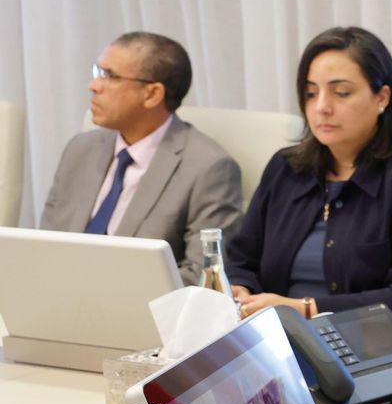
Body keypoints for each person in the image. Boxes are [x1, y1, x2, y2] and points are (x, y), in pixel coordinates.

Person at [226, 26, 392, 324]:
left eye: (341, 93)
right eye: (311, 93)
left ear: (382, 97)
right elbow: (242, 259)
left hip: (388, 340)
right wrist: (240, 290)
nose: (322, 107)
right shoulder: (286, 168)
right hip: (284, 336)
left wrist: (304, 309)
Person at [40, 31, 242, 283]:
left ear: (152, 94)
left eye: (110, 76)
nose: (94, 86)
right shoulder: (80, 149)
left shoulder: (209, 167)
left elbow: (202, 275)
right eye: (97, 72)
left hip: (138, 305)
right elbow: (43, 246)